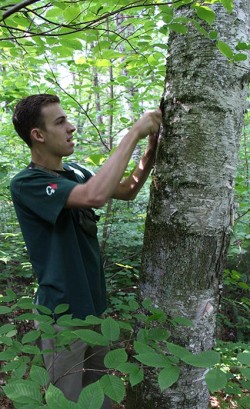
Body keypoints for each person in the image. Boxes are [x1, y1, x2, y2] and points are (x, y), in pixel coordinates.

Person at [10, 94, 162, 407]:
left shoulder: (77, 172)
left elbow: (128, 189)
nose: (72, 127)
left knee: (101, 393)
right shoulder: (28, 182)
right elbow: (93, 196)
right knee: (68, 399)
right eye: (60, 122)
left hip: (95, 307)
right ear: (38, 135)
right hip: (61, 315)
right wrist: (134, 132)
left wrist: (152, 147)